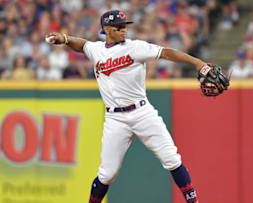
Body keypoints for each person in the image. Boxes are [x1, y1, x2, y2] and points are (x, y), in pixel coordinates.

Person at [45, 10, 215, 203]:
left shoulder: (135, 47)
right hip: (115, 119)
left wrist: (198, 63)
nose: (124, 30)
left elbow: (166, 53)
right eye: (119, 27)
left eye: (125, 26)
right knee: (107, 174)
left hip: (142, 112)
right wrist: (65, 38)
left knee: (172, 159)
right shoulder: (97, 49)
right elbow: (83, 45)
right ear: (107, 30)